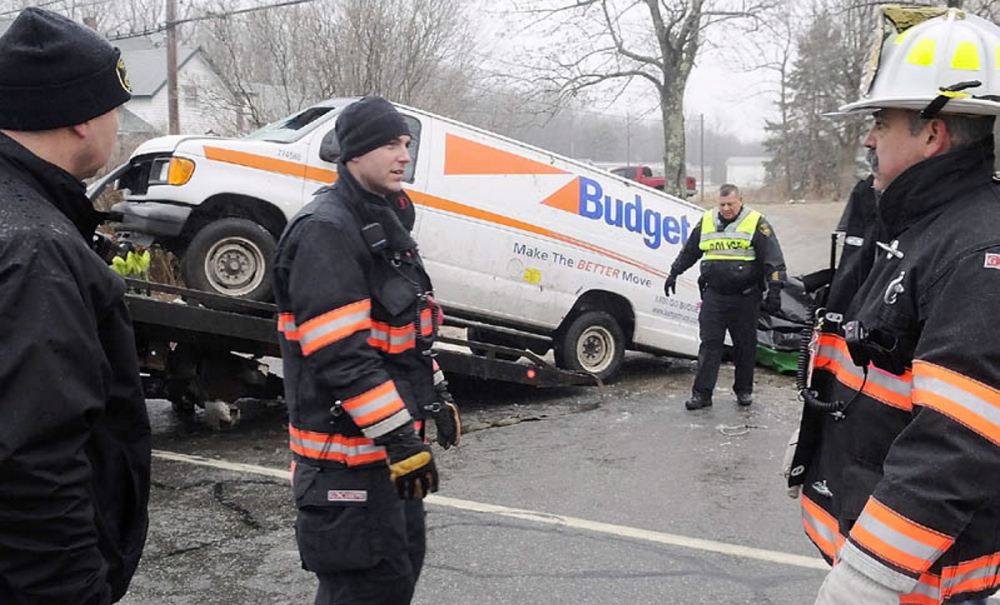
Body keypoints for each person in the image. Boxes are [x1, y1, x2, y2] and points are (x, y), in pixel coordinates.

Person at [785, 7, 1000, 605]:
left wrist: (865, 581)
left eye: (882, 120)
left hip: (925, 583)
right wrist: (821, 427)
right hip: (890, 557)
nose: (868, 136)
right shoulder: (913, 222)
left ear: (933, 132)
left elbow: (955, 444)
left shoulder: (979, 250)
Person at [273, 96, 461, 605]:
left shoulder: (379, 221)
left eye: (406, 143)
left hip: (387, 463)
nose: (404, 155)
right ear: (354, 153)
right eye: (389, 144)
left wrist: (435, 397)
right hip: (347, 464)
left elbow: (405, 337)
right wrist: (403, 442)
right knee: (364, 589)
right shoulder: (327, 231)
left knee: (396, 577)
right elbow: (341, 355)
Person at [0, 7, 151, 604]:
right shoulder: (34, 247)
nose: (118, 122)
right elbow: (30, 463)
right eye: (115, 105)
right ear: (83, 118)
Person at [662, 184, 786, 410]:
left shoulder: (756, 222)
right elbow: (690, 251)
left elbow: (773, 259)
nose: (726, 208)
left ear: (741, 200)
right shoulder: (707, 220)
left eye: (731, 204)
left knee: (745, 346)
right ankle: (702, 395)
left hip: (746, 297)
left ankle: (744, 390)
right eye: (722, 204)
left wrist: (775, 289)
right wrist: (674, 272)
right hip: (714, 295)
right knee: (709, 344)